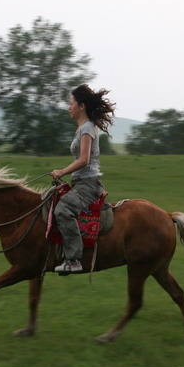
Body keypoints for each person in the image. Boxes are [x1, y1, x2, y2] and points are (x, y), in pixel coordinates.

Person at [51, 85, 116, 274]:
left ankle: (73, 260)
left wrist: (62, 172)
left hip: (88, 184)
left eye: (71, 103)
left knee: (63, 210)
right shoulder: (83, 128)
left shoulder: (87, 128)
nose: (68, 107)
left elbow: (84, 160)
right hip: (81, 182)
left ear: (81, 106)